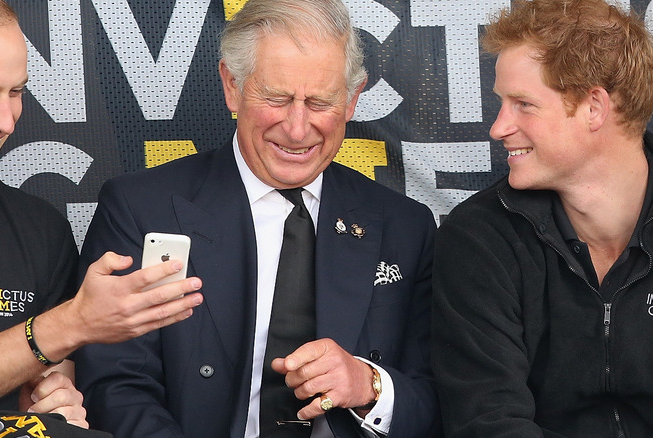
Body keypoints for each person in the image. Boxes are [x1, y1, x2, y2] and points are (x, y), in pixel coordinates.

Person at [73, 0, 440, 436]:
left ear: (352, 100)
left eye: (320, 102)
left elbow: (445, 400)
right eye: (277, 98)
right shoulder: (141, 209)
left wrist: (371, 385)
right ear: (232, 85)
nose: (298, 128)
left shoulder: (406, 227)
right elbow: (114, 383)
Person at [0, 0, 203, 436]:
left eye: (15, 92)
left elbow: (51, 391)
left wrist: (56, 406)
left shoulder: (40, 230)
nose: (7, 120)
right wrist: (70, 324)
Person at [431, 0, 653, 436]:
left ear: (594, 107)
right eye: (502, 103)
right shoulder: (478, 238)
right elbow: (488, 421)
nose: (498, 127)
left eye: (523, 104)